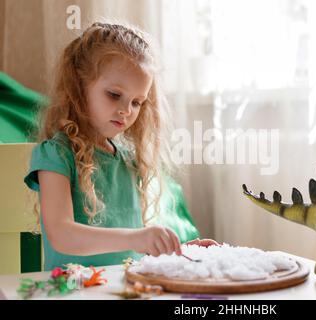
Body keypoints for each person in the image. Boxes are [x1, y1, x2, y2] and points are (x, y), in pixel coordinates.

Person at [24, 22, 216, 271]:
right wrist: (138, 237)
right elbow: (62, 235)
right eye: (114, 95)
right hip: (74, 291)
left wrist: (179, 250)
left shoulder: (129, 160)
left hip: (123, 289)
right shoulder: (56, 154)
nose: (126, 110)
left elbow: (127, 252)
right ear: (79, 87)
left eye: (137, 102)